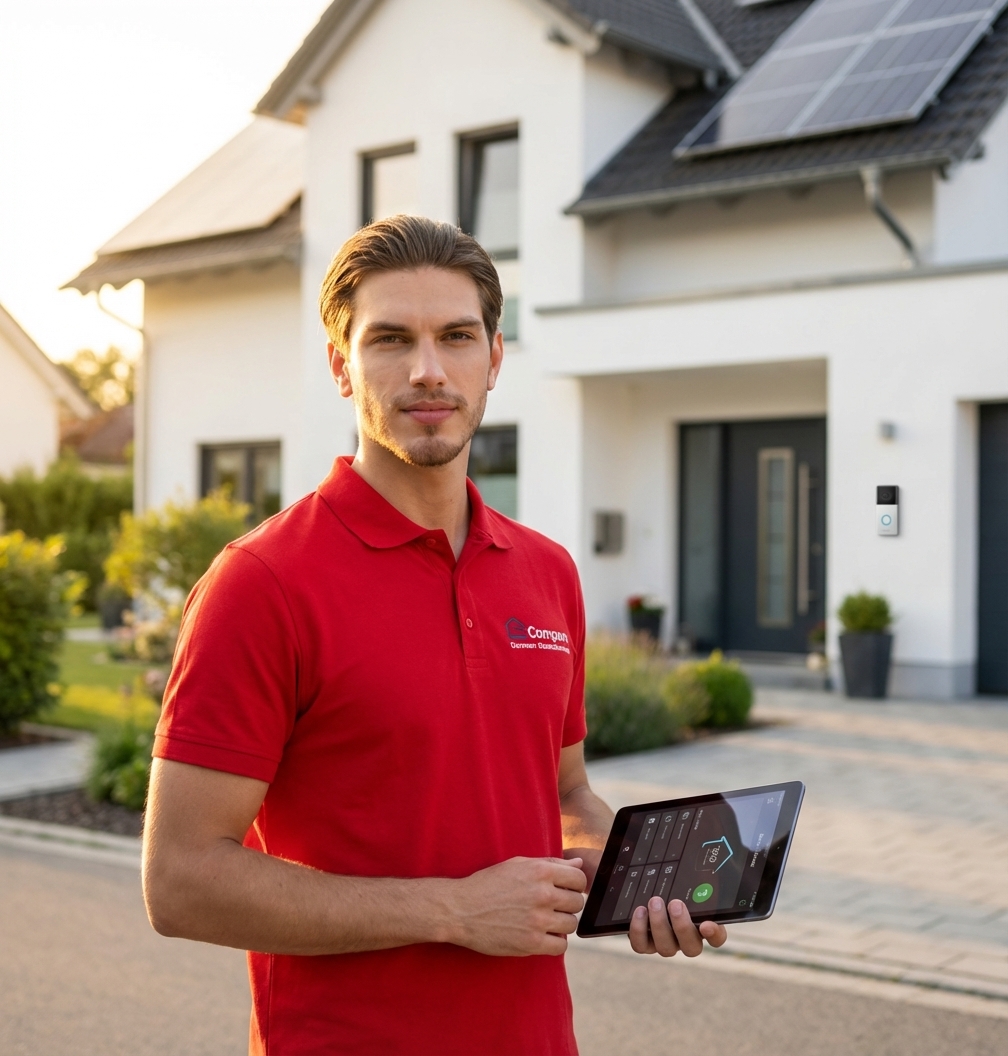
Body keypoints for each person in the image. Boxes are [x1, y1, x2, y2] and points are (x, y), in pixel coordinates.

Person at [142, 215, 727, 1056]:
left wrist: (624, 872)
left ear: (494, 359)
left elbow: (563, 796)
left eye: (456, 336)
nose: (428, 370)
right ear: (343, 366)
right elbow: (181, 881)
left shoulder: (546, 572)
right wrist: (452, 911)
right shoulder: (261, 584)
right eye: (390, 340)